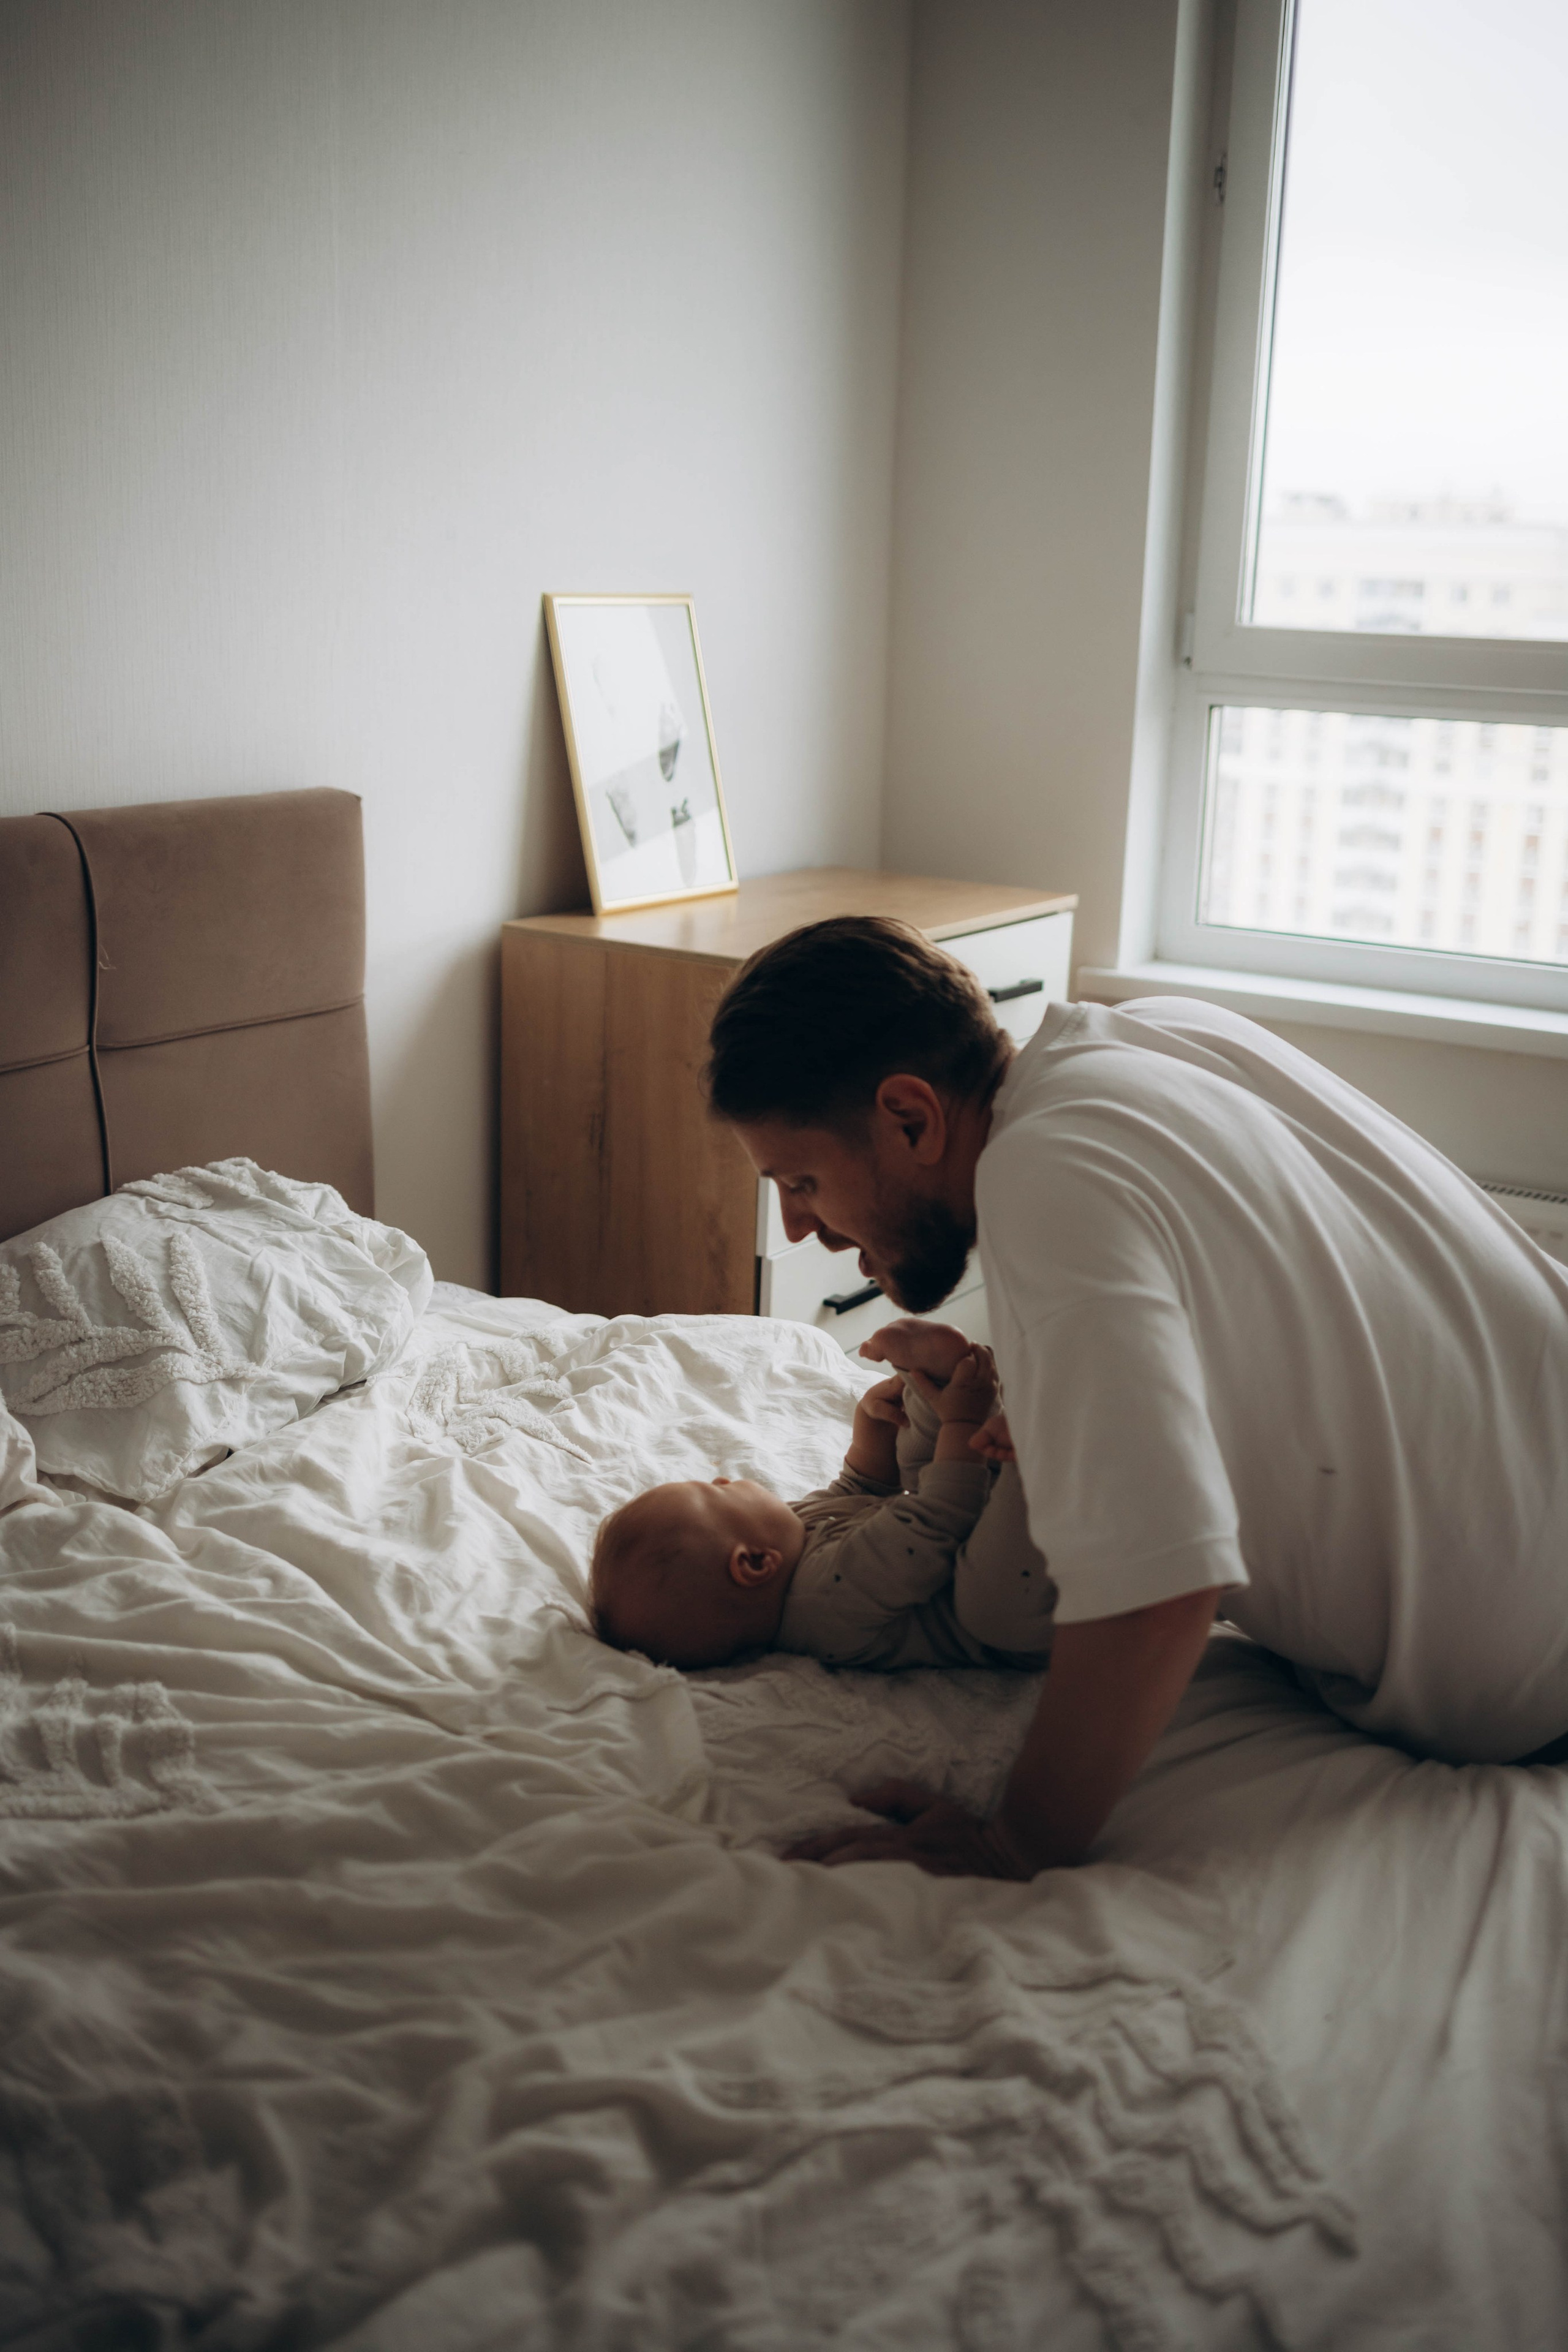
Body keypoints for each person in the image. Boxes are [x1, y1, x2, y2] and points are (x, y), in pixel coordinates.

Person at [702, 914, 1568, 1880]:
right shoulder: (1153, 1032)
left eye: (803, 1179)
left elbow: (1157, 1591)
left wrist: (1014, 1838)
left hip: (1534, 1672)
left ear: (911, 1117)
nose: (800, 1225)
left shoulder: (1045, 1176)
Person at [590, 1325, 1054, 1672]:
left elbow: (858, 1491)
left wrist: (871, 1424)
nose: (720, 1478)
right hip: (1023, 1619)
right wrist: (962, 1424)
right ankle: (1034, 1454)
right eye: (711, 1493)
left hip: (970, 1526)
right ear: (752, 1563)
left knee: (913, 1457)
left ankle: (938, 1381)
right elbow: (936, 1519)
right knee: (990, 1606)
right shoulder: (824, 1606)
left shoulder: (790, 1533)